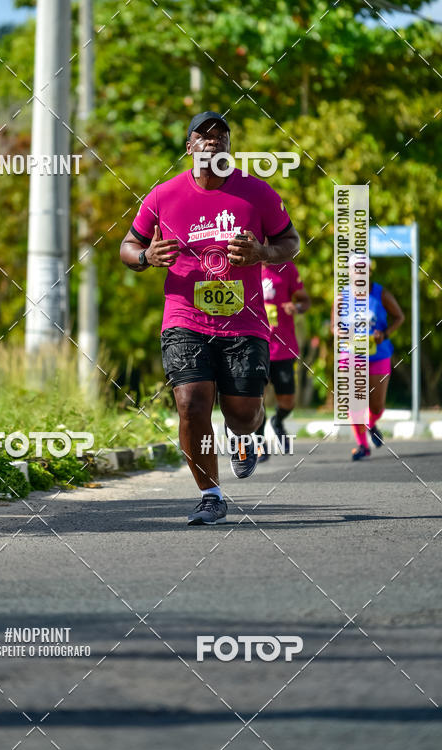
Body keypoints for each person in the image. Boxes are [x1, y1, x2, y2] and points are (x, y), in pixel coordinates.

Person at [119, 111, 299, 524]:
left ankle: (249, 434)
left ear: (230, 147)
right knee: (191, 403)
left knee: (240, 413)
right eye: (203, 135)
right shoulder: (163, 195)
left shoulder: (258, 194)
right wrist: (146, 257)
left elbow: (290, 241)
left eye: (221, 135)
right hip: (184, 318)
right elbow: (129, 245)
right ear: (189, 148)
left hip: (245, 322)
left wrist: (263, 253)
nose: (212, 141)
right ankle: (211, 495)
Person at [332, 261, 405, 461]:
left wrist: (385, 334)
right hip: (350, 353)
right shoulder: (342, 297)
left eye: (364, 269)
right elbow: (334, 326)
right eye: (356, 269)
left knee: (376, 407)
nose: (359, 273)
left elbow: (399, 317)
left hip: (378, 354)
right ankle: (362, 445)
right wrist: (339, 331)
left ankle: (371, 423)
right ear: (350, 272)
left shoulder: (381, 294)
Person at [255, 262, 311, 460]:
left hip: (283, 347)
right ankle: (260, 444)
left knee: (288, 400)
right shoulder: (245, 265)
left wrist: (295, 306)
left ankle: (278, 421)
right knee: (256, 400)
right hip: (255, 346)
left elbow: (305, 301)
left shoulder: (287, 268)